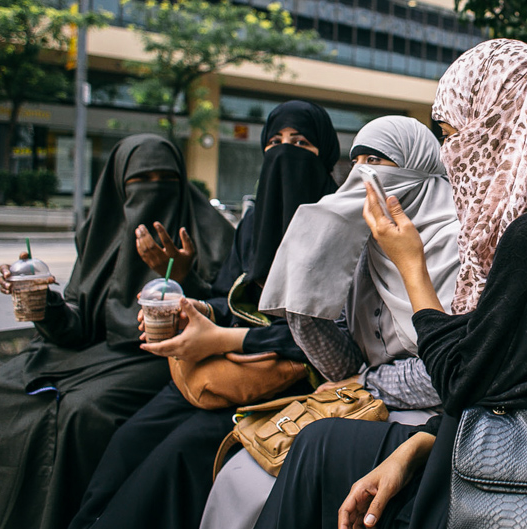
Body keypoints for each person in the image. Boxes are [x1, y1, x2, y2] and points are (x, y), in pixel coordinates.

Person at [251, 38, 527, 529]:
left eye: (455, 133)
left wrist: (411, 265)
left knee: (318, 446)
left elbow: (460, 380)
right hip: (518, 440)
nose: (450, 154)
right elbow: (514, 377)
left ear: (496, 130)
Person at [66, 101, 341, 529]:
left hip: (292, 383)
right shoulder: (253, 226)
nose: (283, 154)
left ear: (324, 154)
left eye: (300, 143)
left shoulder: (339, 227)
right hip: (221, 371)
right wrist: (193, 307)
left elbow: (334, 338)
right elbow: (224, 297)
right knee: (128, 442)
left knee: (176, 458)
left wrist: (223, 339)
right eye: (274, 143)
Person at [198, 115, 461, 529]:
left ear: (420, 164)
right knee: (240, 475)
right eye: (357, 161)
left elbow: (447, 370)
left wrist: (365, 382)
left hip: (436, 417)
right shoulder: (360, 243)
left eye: (378, 160)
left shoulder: (457, 242)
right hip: (362, 403)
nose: (363, 174)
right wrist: (303, 300)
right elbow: (340, 368)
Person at [0, 134, 234, 529]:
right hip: (92, 350)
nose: (153, 190)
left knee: (80, 413)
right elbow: (75, 323)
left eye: (165, 178)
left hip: (161, 356)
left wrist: (181, 276)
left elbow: (225, 313)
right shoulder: (101, 232)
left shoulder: (208, 233)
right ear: (119, 186)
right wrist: (41, 297)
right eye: (139, 182)